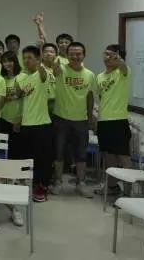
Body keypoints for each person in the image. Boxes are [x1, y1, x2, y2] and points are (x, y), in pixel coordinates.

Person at [51, 42, 96, 198]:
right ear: (67, 55)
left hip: (81, 120)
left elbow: (90, 96)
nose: (75, 57)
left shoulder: (90, 74)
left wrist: (90, 116)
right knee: (58, 153)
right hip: (61, 118)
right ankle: (58, 182)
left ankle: (81, 183)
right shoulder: (60, 70)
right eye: (72, 54)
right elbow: (54, 69)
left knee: (81, 154)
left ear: (84, 55)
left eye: (78, 54)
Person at [16, 46, 53, 202]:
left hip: (41, 124)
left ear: (38, 59)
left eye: (30, 58)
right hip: (26, 124)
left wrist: (41, 47)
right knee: (28, 157)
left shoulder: (43, 74)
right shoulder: (22, 79)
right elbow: (20, 98)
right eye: (24, 58)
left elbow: (42, 73)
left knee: (42, 159)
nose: (26, 61)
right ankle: (32, 185)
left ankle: (43, 187)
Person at [94, 44, 132, 196]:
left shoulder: (123, 71)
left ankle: (128, 194)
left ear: (119, 57)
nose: (108, 58)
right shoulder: (99, 77)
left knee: (123, 158)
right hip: (103, 122)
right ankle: (112, 187)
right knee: (108, 156)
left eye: (112, 55)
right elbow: (102, 98)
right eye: (106, 54)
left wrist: (119, 60)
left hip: (118, 121)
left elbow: (122, 65)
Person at [0, 51, 23, 159]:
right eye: (5, 61)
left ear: (15, 61)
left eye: (10, 61)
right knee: (3, 150)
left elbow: (25, 100)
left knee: (16, 150)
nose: (7, 64)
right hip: (3, 119)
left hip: (17, 119)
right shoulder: (1, 79)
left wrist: (19, 120)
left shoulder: (21, 77)